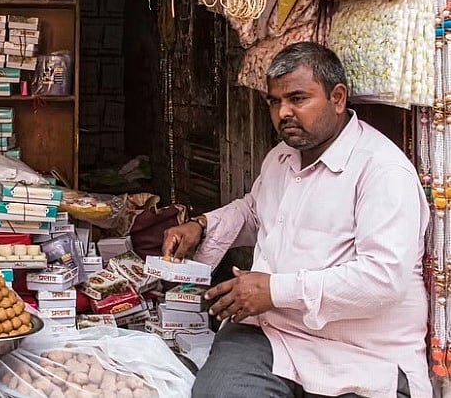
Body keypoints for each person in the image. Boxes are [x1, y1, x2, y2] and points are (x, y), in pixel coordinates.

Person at [161, 42, 430, 398]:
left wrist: (273, 290)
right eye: (275, 101)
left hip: (363, 355)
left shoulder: (382, 170)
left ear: (337, 98)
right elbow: (256, 211)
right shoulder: (282, 157)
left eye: (297, 99)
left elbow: (383, 279)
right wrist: (202, 226)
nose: (283, 112)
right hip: (273, 336)